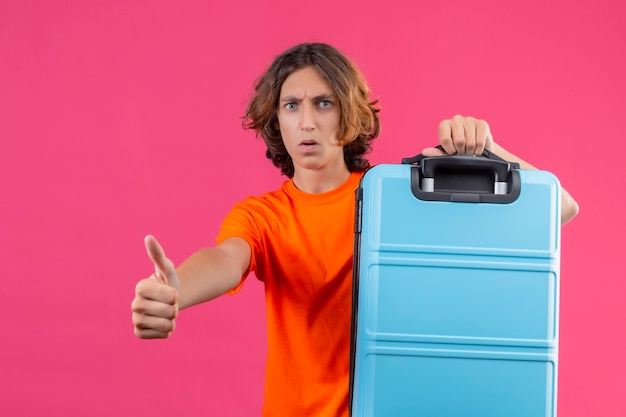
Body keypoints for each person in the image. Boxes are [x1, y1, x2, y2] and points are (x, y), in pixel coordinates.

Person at [131, 42, 579, 416]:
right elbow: (226, 259)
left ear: (350, 114)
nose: (307, 122)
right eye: (292, 106)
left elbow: (560, 208)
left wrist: (489, 150)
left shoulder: (400, 199)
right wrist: (176, 292)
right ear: (276, 122)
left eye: (323, 103)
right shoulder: (263, 216)